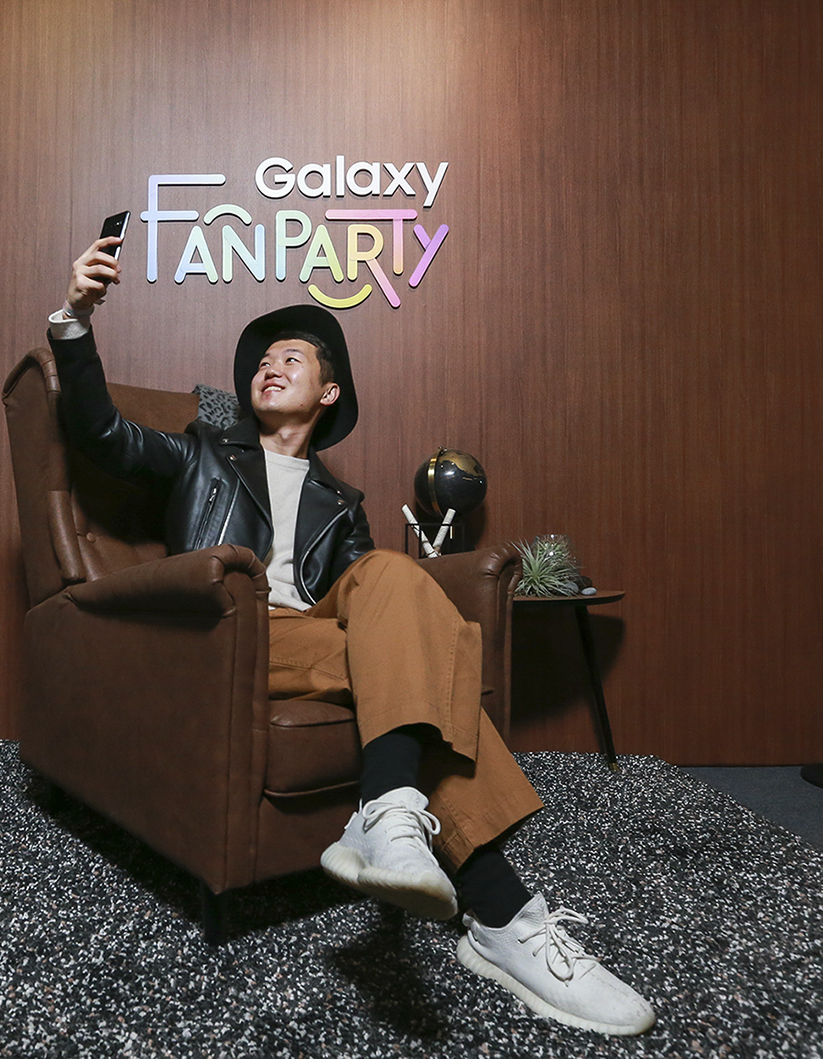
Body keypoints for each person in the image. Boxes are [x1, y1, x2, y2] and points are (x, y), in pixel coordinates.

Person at [47, 233, 656, 1037]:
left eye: (290, 358)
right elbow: (98, 433)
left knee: (394, 586)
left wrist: (383, 610)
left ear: (328, 392)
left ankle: (412, 831)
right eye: (262, 361)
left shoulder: (344, 503)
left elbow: (374, 607)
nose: (269, 366)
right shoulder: (201, 452)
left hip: (318, 639)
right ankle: (501, 912)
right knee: (423, 665)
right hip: (232, 635)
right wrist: (76, 318)